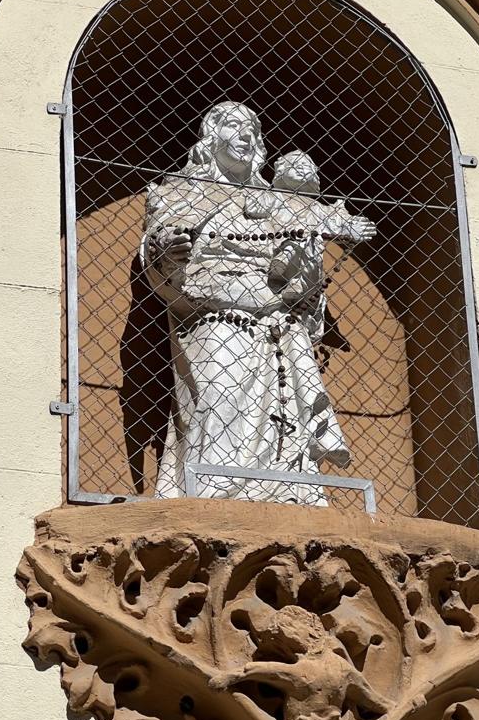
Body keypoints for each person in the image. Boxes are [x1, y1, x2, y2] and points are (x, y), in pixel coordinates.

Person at [140, 103, 373, 502]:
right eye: (233, 125)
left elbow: (305, 266)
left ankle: (283, 485)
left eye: (252, 128)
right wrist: (167, 251)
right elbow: (158, 245)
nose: (245, 135)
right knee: (222, 392)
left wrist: (305, 256)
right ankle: (213, 487)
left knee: (281, 403)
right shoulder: (180, 191)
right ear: (211, 136)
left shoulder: (276, 200)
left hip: (275, 315)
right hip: (214, 314)